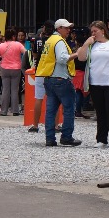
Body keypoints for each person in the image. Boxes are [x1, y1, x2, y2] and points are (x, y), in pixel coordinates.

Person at [75, 20, 109, 146]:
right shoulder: (91, 46)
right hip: (95, 82)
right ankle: (101, 139)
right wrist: (86, 44)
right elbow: (81, 58)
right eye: (91, 31)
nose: (93, 34)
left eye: (95, 31)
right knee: (100, 111)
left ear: (103, 31)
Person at [37, 18, 80, 146]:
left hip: (49, 78)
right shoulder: (59, 41)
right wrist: (76, 54)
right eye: (66, 28)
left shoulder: (49, 40)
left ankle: (50, 138)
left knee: (51, 110)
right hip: (61, 78)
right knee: (69, 108)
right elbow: (62, 59)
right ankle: (66, 137)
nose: (69, 30)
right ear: (59, 28)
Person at [25, 20, 53, 133]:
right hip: (52, 71)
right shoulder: (54, 40)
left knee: (38, 97)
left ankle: (35, 125)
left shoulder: (37, 40)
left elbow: (34, 54)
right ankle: (55, 126)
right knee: (53, 99)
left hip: (40, 70)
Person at [0, 28, 26, 116]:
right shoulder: (18, 44)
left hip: (4, 68)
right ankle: (15, 110)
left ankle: (3, 111)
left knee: (5, 89)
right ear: (13, 36)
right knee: (15, 90)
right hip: (16, 68)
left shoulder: (1, 46)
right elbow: (26, 53)